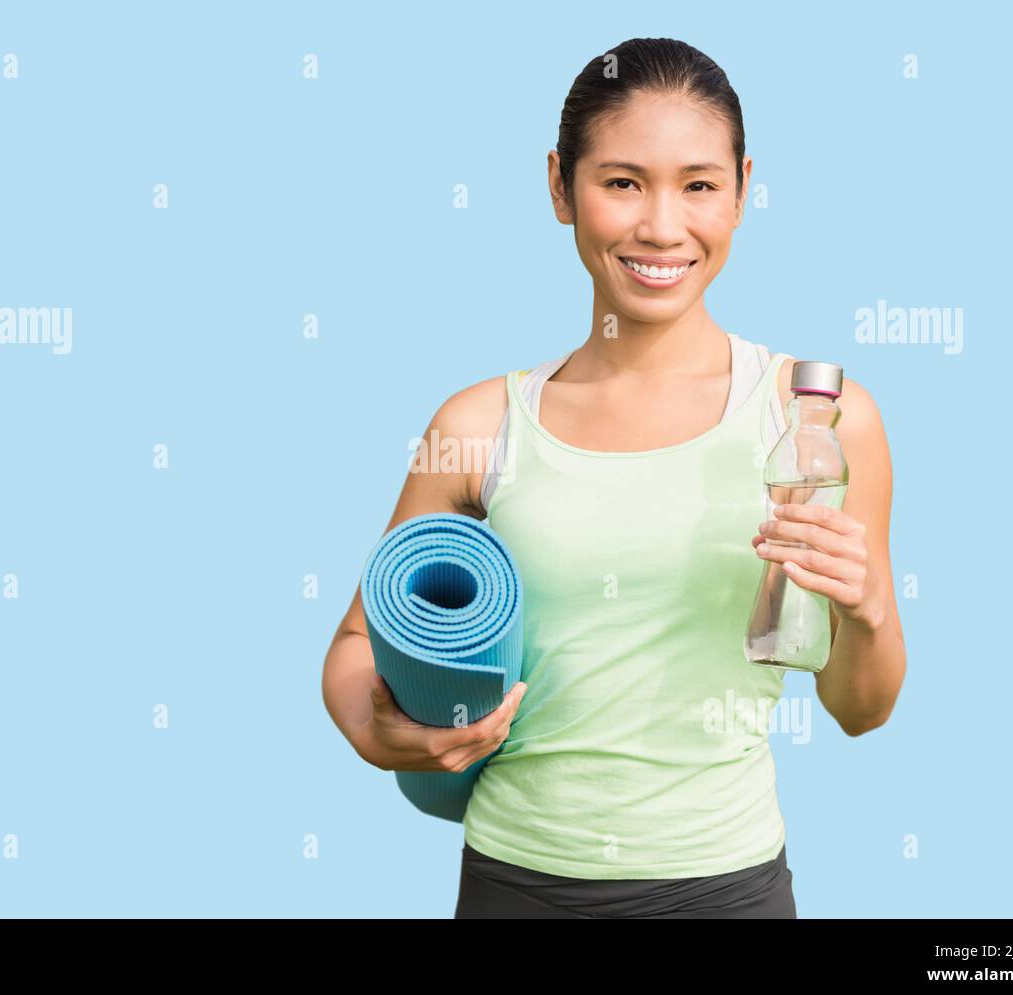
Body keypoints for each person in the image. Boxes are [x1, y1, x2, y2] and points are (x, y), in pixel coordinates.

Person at [322, 37, 906, 919]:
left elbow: (863, 709)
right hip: (514, 883)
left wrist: (864, 609)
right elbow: (355, 644)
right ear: (560, 186)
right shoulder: (479, 425)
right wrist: (384, 733)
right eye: (623, 182)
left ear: (744, 188)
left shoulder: (817, 419)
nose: (662, 226)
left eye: (699, 185)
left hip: (730, 888)